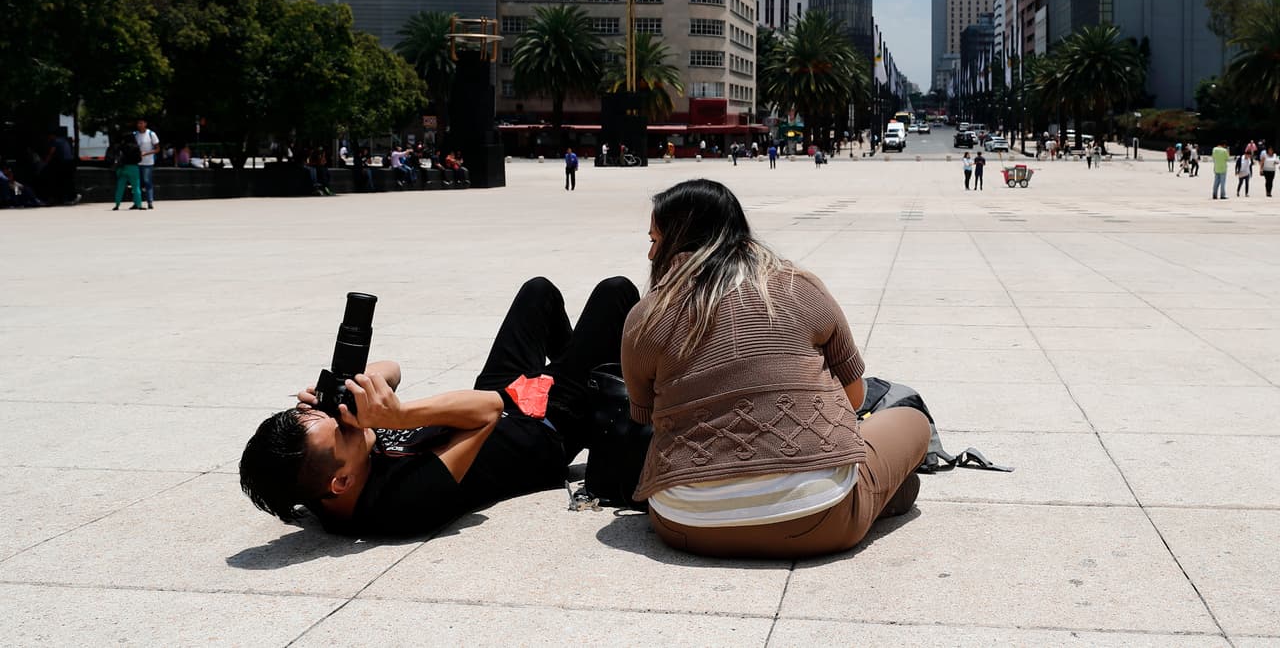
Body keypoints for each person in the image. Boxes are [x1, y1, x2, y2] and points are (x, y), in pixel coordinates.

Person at [621, 179, 929, 559]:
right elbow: (854, 398)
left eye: (655, 240)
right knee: (911, 421)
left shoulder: (644, 317)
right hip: (818, 521)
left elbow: (644, 416)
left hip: (683, 524)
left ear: (677, 241)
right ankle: (870, 496)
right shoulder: (800, 286)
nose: (651, 254)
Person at [239, 276, 639, 537]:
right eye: (342, 427)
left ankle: (582, 377)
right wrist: (399, 416)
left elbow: (392, 370)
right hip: (542, 429)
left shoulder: (320, 475)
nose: (348, 420)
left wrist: (348, 389)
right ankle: (586, 397)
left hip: (491, 404)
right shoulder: (402, 503)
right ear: (340, 482)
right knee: (615, 293)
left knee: (539, 293)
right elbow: (487, 411)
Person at [111, 132, 144, 211]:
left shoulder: (121, 147)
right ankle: (139, 205)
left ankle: (117, 205)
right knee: (136, 187)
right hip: (133, 168)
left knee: (120, 187)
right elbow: (139, 159)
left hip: (122, 168)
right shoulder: (136, 147)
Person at [133, 118, 159, 209]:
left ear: (145, 124)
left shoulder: (151, 134)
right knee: (136, 183)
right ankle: (137, 202)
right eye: (138, 123)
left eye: (141, 123)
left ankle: (150, 201)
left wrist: (146, 153)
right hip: (137, 162)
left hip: (148, 162)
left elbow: (157, 149)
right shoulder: (135, 134)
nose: (139, 125)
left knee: (147, 181)